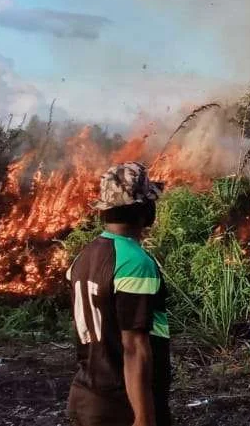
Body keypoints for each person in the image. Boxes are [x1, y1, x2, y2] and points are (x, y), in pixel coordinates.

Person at [67, 162, 171, 426]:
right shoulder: (134, 262)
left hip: (85, 397)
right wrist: (144, 418)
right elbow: (134, 347)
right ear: (143, 211)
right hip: (121, 406)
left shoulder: (83, 257)